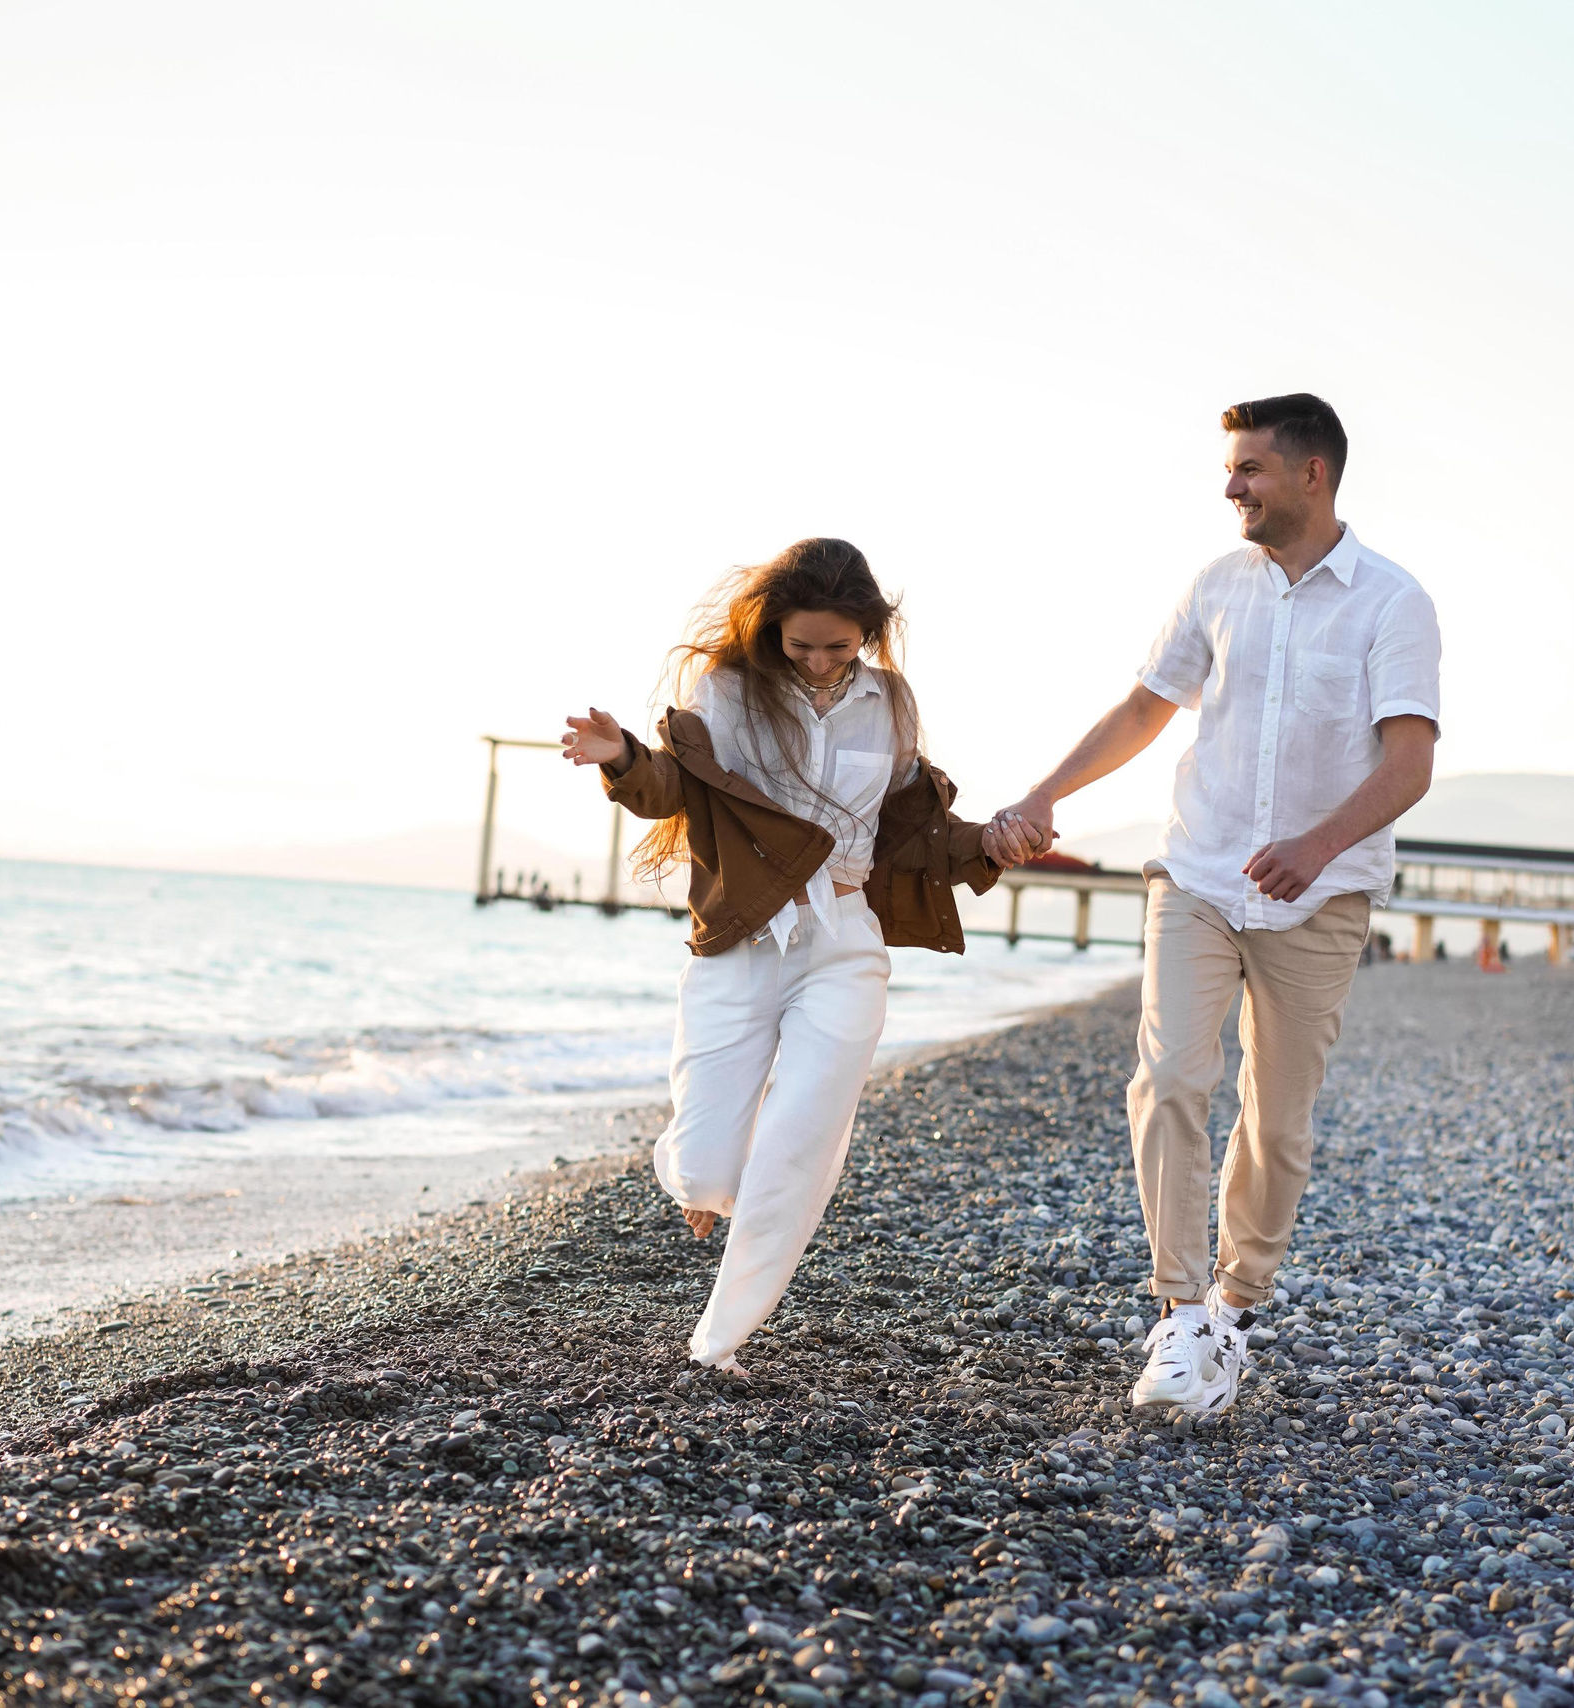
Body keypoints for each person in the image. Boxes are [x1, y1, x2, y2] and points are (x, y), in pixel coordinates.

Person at [992, 393, 1441, 1419]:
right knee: (1168, 1079)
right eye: (1230, 468)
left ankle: (1236, 1310)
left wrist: (1317, 844)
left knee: (1275, 1123)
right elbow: (1147, 705)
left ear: (1312, 475)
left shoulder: (1391, 601)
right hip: (1195, 874)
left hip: (1321, 897)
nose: (1229, 485)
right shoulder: (1215, 585)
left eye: (1248, 469)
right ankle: (1180, 1314)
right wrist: (1046, 793)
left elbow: (1410, 760)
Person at [562, 538, 1034, 1373]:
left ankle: (720, 1341)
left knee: (799, 1140)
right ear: (772, 627)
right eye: (801, 644)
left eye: (840, 647)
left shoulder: (892, 703)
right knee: (710, 1172)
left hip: (844, 944)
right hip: (741, 942)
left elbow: (906, 826)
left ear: (869, 636)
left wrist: (990, 840)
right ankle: (696, 1181)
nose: (819, 662)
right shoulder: (731, 690)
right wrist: (625, 760)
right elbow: (679, 786)